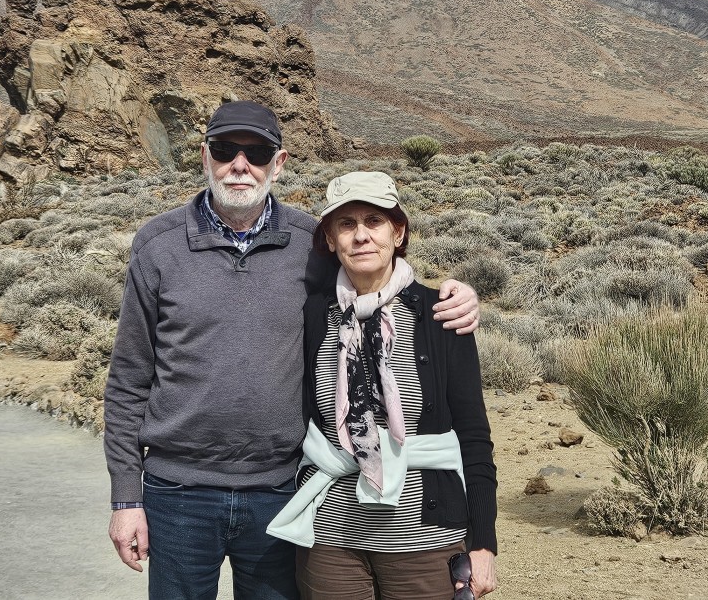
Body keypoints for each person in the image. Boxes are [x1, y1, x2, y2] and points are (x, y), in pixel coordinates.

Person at [104, 101, 481, 600]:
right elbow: (128, 381)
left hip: (281, 489)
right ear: (205, 157)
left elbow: (375, 278)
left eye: (257, 153)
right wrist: (126, 498)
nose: (240, 165)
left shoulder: (310, 245)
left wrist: (456, 295)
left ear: (278, 163)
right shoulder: (158, 245)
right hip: (177, 494)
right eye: (225, 150)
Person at [266, 171, 498, 599]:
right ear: (331, 239)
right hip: (331, 541)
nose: (361, 236)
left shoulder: (441, 315)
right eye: (346, 224)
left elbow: (473, 435)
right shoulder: (314, 315)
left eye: (374, 221)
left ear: (398, 232)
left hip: (425, 540)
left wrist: (483, 542)